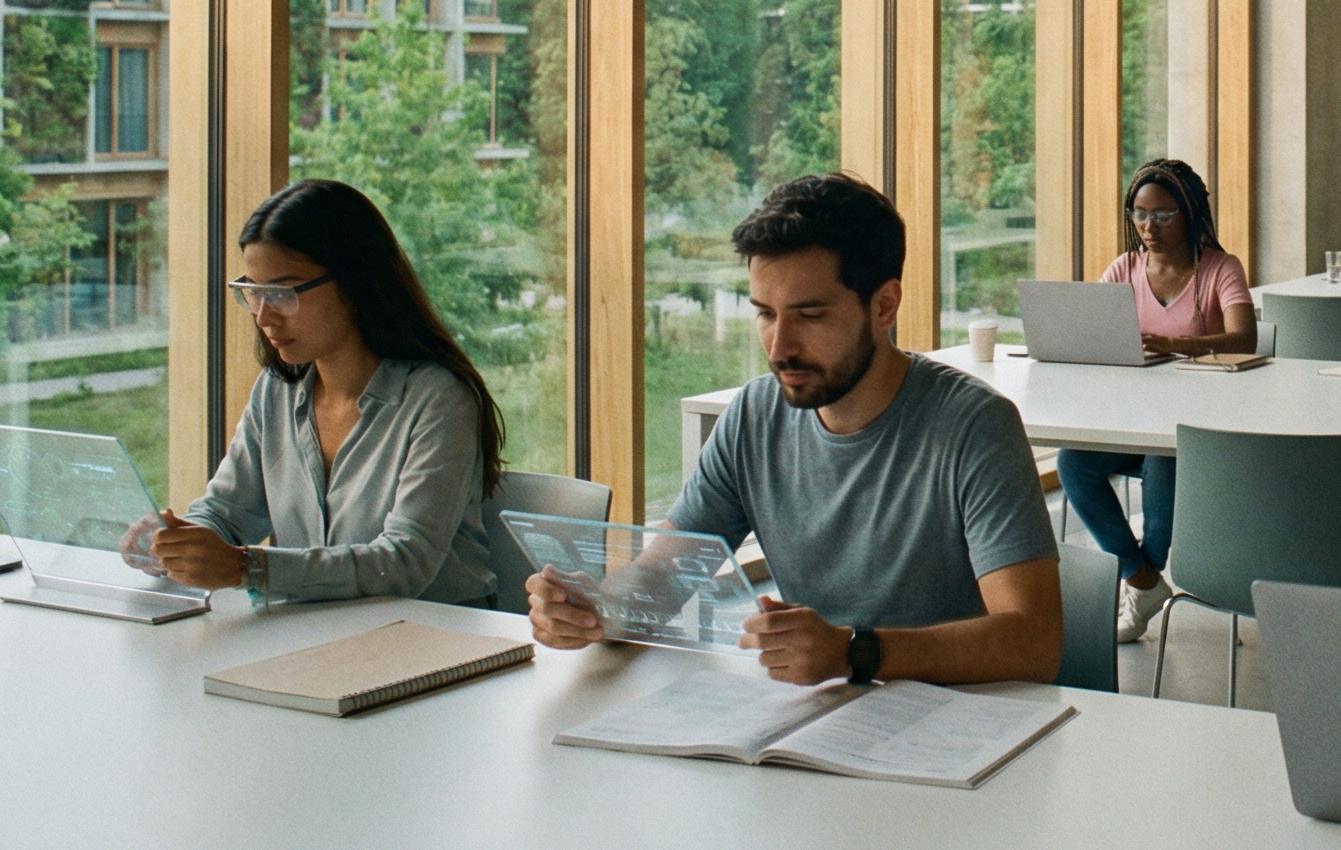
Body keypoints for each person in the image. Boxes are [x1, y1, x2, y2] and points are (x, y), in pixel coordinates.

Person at [529, 174, 1062, 685]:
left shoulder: (974, 426)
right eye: (764, 313)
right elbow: (664, 578)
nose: (779, 347)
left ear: (884, 305)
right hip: (823, 718)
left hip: (966, 728)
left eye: (810, 316)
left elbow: (1034, 642)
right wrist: (598, 607)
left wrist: (856, 652)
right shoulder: (753, 418)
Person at [136, 179, 502, 606]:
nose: (263, 317)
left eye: (281, 293)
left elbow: (404, 562)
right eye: (253, 293)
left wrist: (248, 568)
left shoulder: (437, 398)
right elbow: (225, 514)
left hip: (437, 642)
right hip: (313, 634)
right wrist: (174, 542)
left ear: (352, 283)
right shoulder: (277, 390)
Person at [1058, 159, 1256, 642]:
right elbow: (1096, 333)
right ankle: (1141, 579)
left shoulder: (1218, 268)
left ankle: (1146, 576)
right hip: (1135, 419)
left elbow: (1245, 337)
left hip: (1198, 431)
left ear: (1190, 213)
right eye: (1139, 214)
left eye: (1164, 215)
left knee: (1161, 458)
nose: (1149, 226)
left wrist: (1178, 345)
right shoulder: (1123, 269)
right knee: (1072, 463)